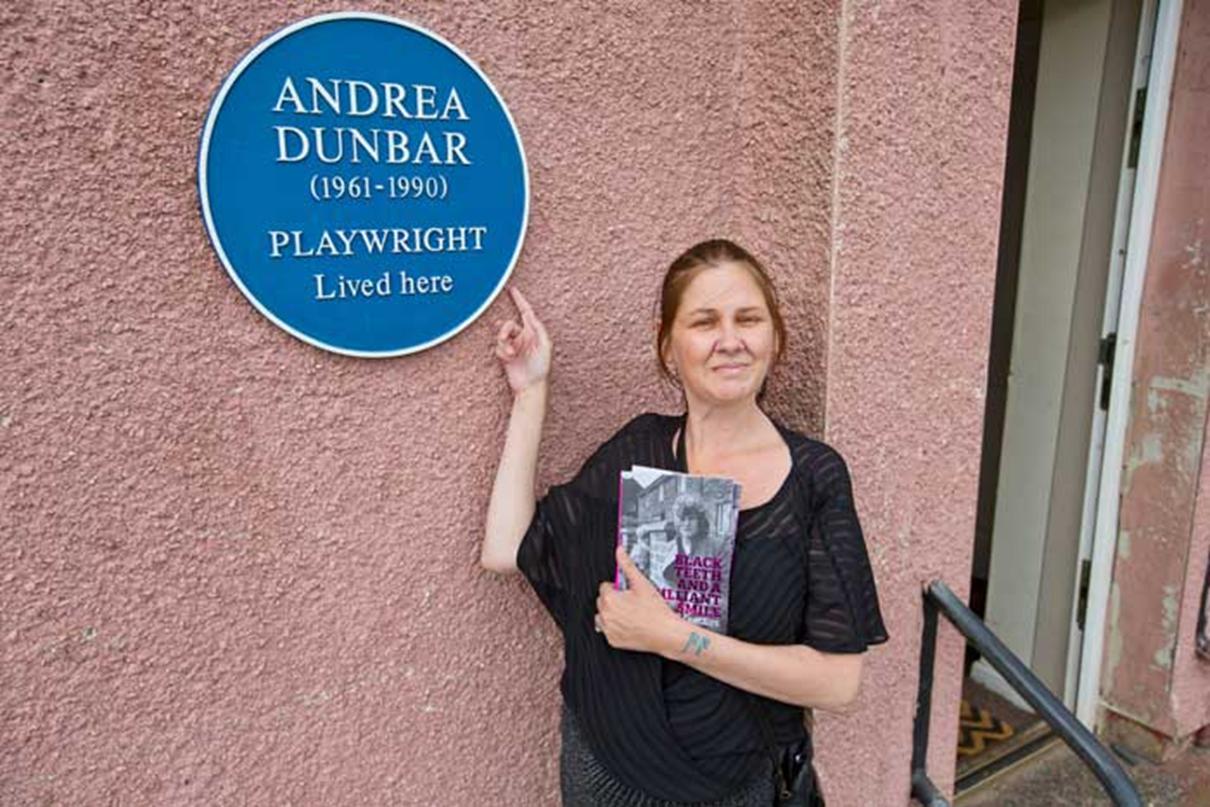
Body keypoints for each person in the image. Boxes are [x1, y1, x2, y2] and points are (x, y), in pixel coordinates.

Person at [481, 239, 888, 806]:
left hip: (736, 786)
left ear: (775, 339)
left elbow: (839, 684)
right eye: (704, 321)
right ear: (668, 345)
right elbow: (507, 549)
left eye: (748, 319)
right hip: (606, 773)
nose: (730, 340)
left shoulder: (813, 477)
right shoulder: (637, 452)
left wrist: (677, 639)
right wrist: (531, 392)